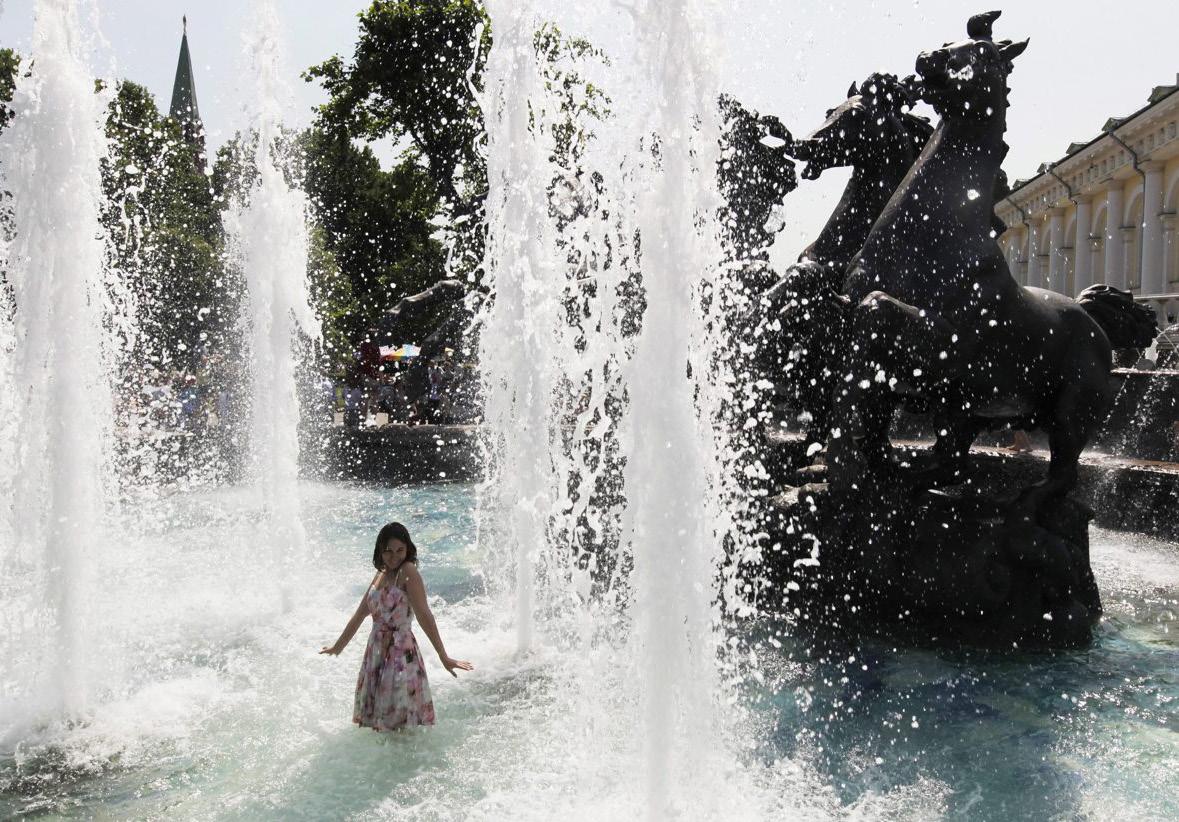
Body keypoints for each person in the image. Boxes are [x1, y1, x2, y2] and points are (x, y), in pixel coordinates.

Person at [320, 522, 473, 731]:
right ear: (380, 551)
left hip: (400, 654)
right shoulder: (381, 573)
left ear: (408, 549)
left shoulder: (408, 571)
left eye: (400, 550)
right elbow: (360, 614)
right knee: (381, 726)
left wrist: (443, 656)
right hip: (375, 653)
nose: (394, 557)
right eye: (388, 551)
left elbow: (425, 616)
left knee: (399, 725)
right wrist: (338, 647)